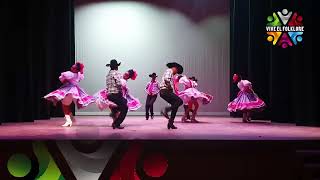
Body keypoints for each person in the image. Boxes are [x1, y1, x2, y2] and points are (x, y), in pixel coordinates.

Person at [44, 62, 94, 127]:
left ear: (76, 70)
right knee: (66, 105)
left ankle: (68, 121)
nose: (71, 68)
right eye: (72, 67)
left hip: (69, 89)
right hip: (74, 89)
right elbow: (78, 77)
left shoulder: (70, 74)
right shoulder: (78, 75)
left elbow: (62, 79)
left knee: (65, 105)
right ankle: (70, 117)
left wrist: (65, 80)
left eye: (73, 68)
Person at [159, 62, 184, 129]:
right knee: (180, 101)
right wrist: (170, 87)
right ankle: (166, 110)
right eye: (177, 71)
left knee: (175, 105)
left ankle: (170, 123)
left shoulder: (171, 73)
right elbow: (167, 79)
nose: (176, 73)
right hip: (165, 91)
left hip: (164, 92)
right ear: (175, 68)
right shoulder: (169, 70)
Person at [105, 59, 128, 129]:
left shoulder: (108, 74)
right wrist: (123, 82)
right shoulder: (116, 73)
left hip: (109, 95)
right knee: (125, 108)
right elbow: (118, 83)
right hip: (115, 94)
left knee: (125, 101)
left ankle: (115, 110)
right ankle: (116, 123)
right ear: (116, 66)